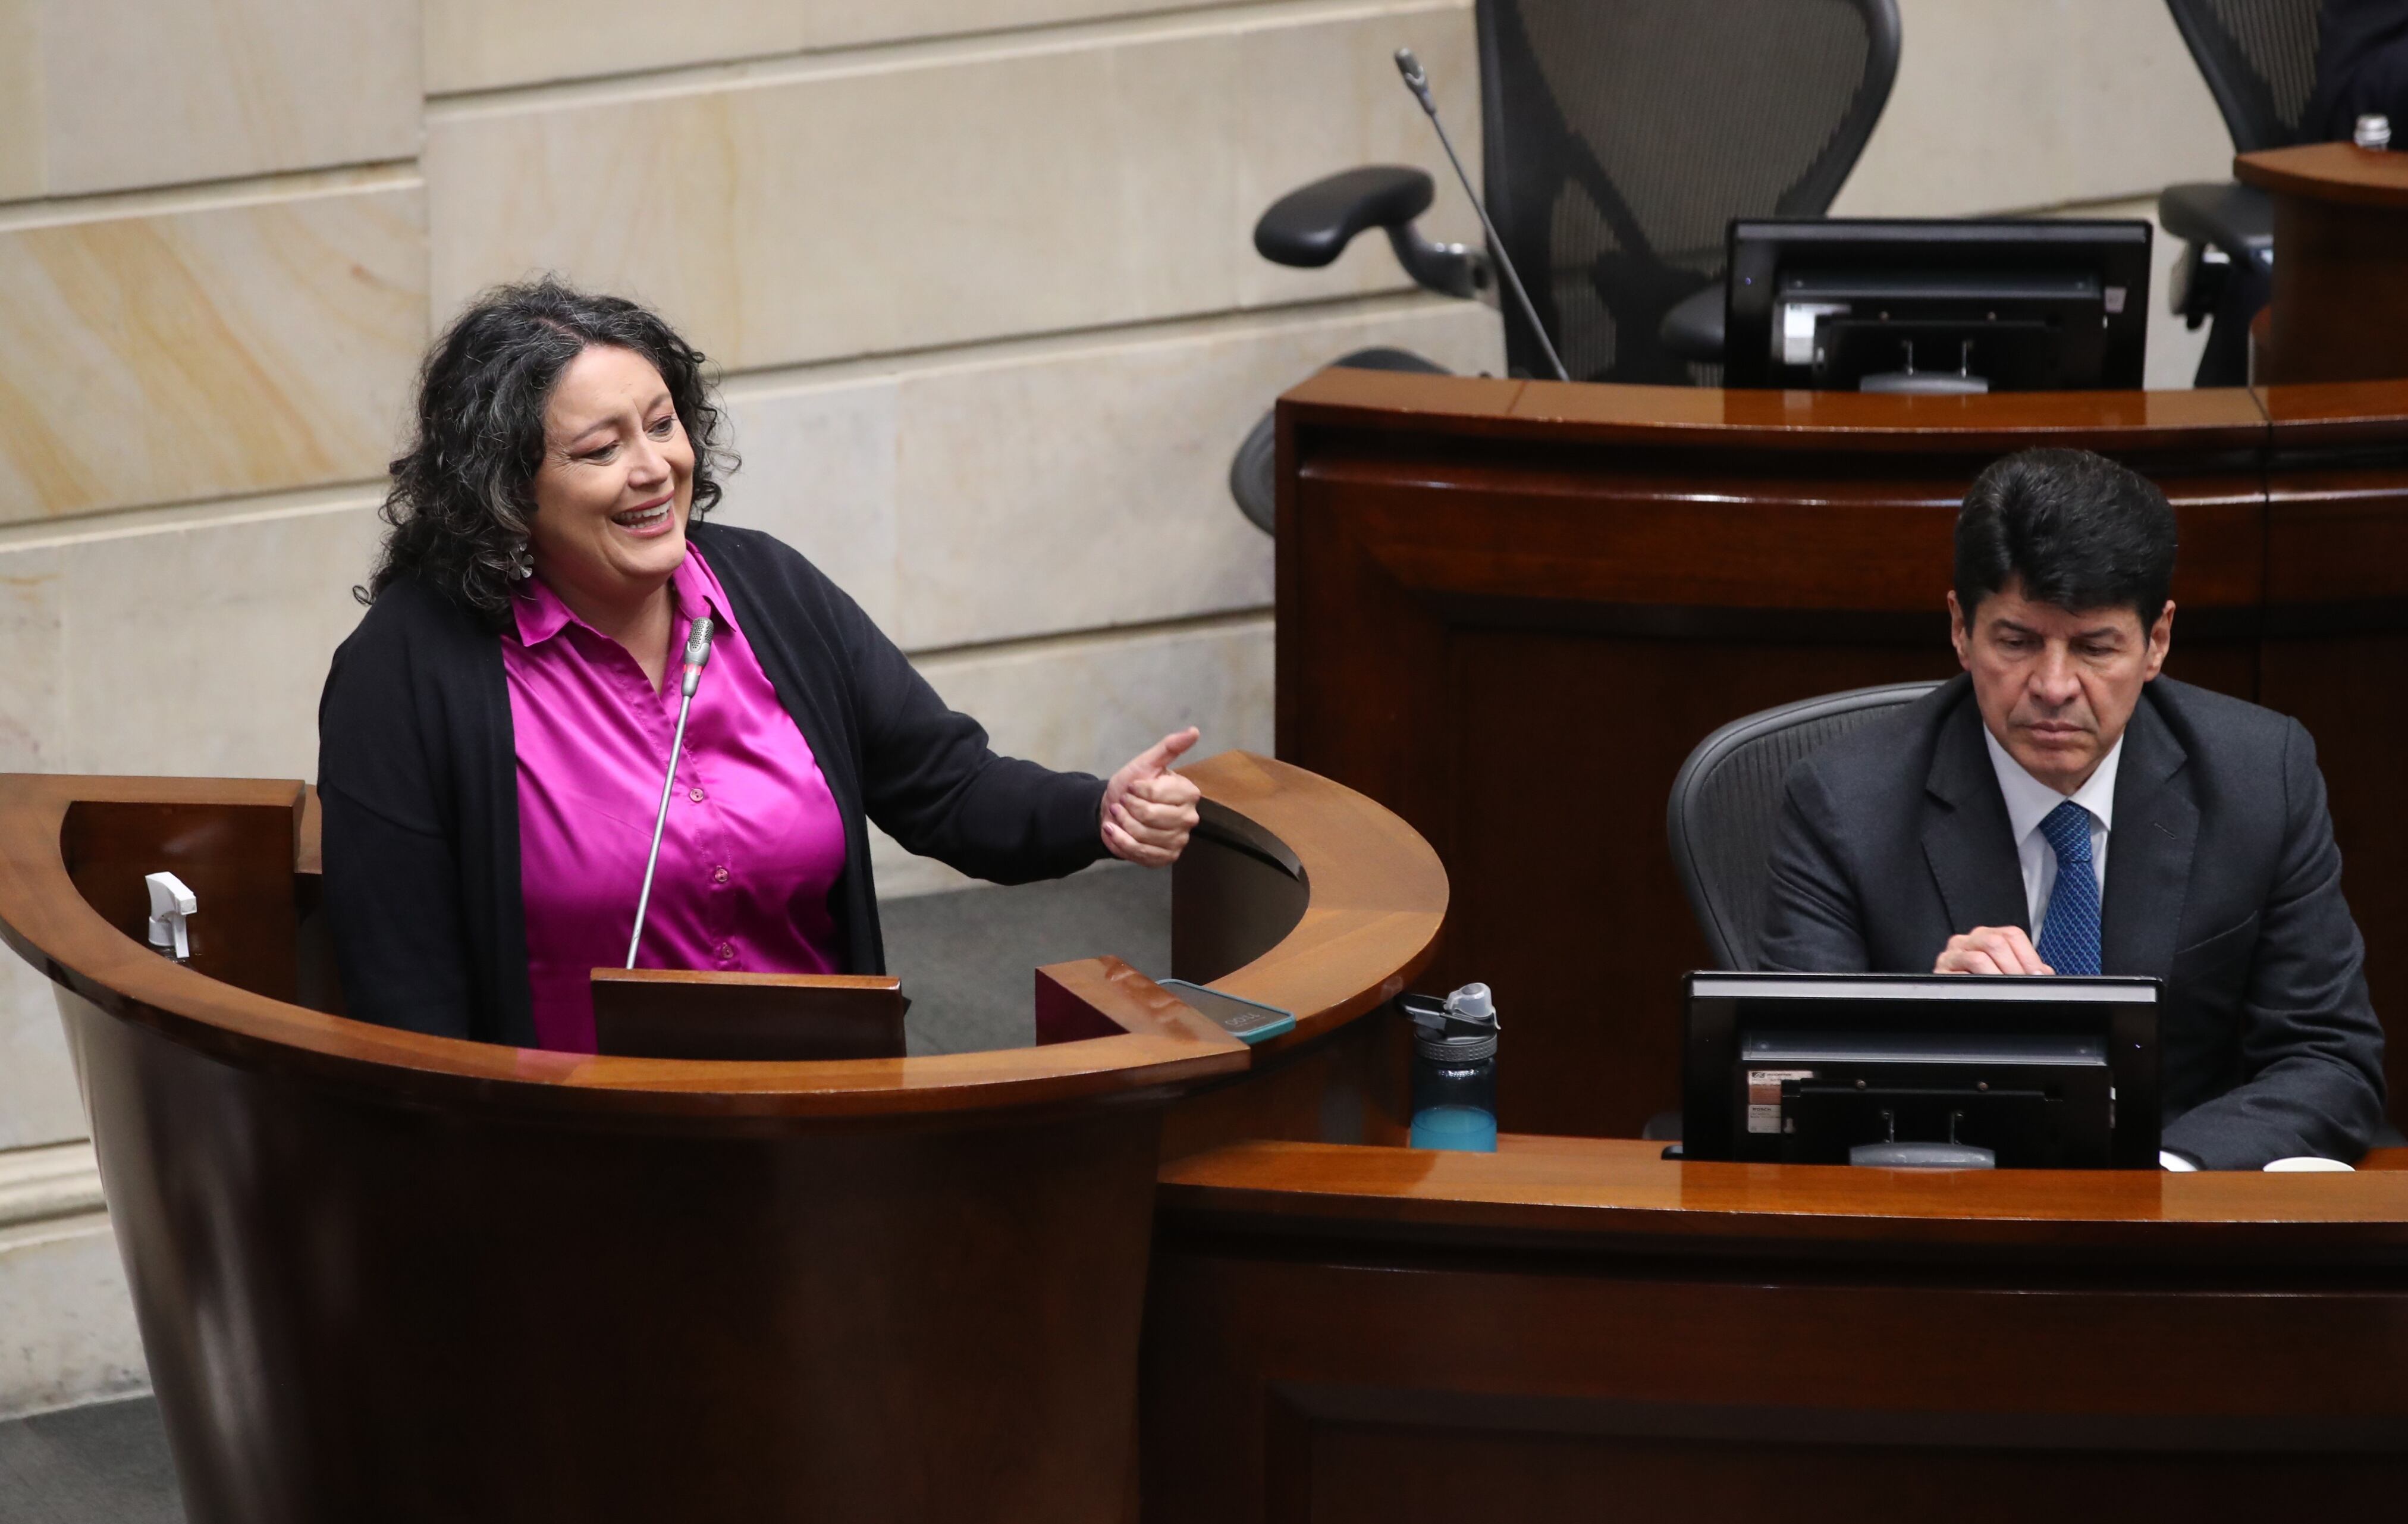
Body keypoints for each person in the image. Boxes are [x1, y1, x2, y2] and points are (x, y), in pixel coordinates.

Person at [319, 279, 1203, 1052]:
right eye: (599, 450)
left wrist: (1098, 810)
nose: (653, 468)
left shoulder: (769, 589)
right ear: (506, 487)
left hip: (820, 1135)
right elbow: (405, 992)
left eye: (662, 425)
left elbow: (949, 788)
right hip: (573, 1162)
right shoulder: (409, 668)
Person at [1758, 448, 2387, 1169]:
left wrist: (2163, 1175)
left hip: (2177, 1214)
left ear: (2155, 642)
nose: (2053, 686)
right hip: (1949, 1220)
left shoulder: (2259, 778)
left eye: (2093, 648)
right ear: (1960, 630)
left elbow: (2328, 1059)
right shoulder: (1844, 802)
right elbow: (1788, 1088)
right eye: (2017, 641)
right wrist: (1925, 1026)